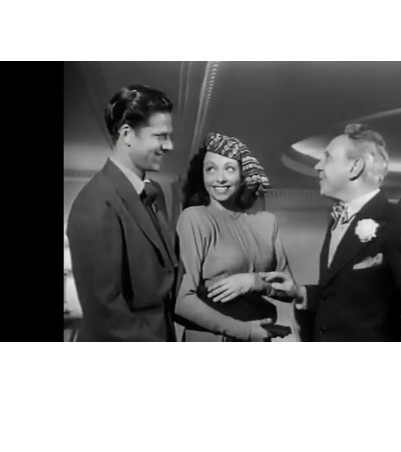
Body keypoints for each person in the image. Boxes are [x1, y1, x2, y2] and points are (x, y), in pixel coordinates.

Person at [262, 123, 401, 341]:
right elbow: (343, 297)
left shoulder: (398, 223)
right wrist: (300, 292)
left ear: (355, 167)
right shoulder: (336, 221)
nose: (317, 165)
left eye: (328, 158)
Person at [67, 84, 179, 341]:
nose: (169, 145)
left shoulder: (155, 193)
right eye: (160, 136)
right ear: (127, 134)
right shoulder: (95, 203)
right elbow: (108, 315)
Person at [174, 132, 294, 342]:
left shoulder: (267, 222)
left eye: (229, 169)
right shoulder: (194, 218)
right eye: (210, 169)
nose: (219, 178)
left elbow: (289, 290)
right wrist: (246, 331)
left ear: (243, 174)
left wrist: (255, 282)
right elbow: (181, 301)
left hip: (259, 339)